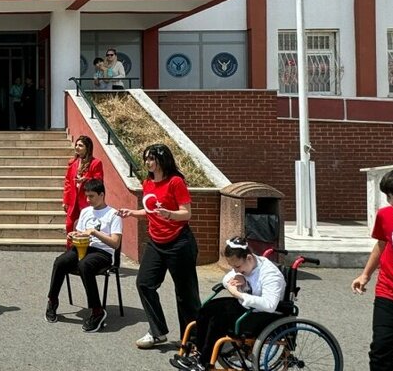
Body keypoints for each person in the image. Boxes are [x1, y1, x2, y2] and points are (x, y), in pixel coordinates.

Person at [117, 143, 200, 350]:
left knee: (185, 293)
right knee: (144, 283)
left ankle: (193, 339)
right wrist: (133, 213)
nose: (148, 162)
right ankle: (158, 332)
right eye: (146, 159)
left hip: (179, 242)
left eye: (152, 158)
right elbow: (151, 210)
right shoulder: (148, 182)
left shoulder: (175, 182)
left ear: (163, 159)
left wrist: (170, 214)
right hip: (156, 242)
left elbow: (186, 213)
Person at [173, 237, 286, 371]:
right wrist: (238, 279)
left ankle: (204, 362)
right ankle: (198, 353)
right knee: (206, 310)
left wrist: (239, 294)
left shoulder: (271, 275)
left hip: (263, 314)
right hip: (246, 306)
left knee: (218, 320)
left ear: (249, 258)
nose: (235, 270)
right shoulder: (245, 263)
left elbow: (270, 305)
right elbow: (227, 278)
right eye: (233, 267)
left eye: (237, 267)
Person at [45, 179, 122, 332]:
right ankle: (52, 301)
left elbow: (115, 243)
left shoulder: (114, 215)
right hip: (82, 247)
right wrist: (74, 235)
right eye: (86, 196)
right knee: (60, 261)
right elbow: (81, 234)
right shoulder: (86, 211)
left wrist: (95, 232)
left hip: (102, 252)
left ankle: (97, 311)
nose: (88, 200)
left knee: (84, 265)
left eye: (91, 196)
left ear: (102, 195)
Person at [352, 168, 393, 370]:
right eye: (388, 197)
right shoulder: (385, 215)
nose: (392, 202)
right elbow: (382, 244)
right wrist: (365, 274)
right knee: (381, 351)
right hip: (388, 293)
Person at [63, 135, 104, 245]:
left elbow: (99, 182)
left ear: (87, 148)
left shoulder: (96, 163)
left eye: (80, 145)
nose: (77, 147)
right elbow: (67, 183)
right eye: (76, 145)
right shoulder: (73, 163)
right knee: (69, 226)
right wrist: (65, 201)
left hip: (87, 201)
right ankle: (71, 252)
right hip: (73, 201)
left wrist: (85, 180)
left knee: (86, 227)